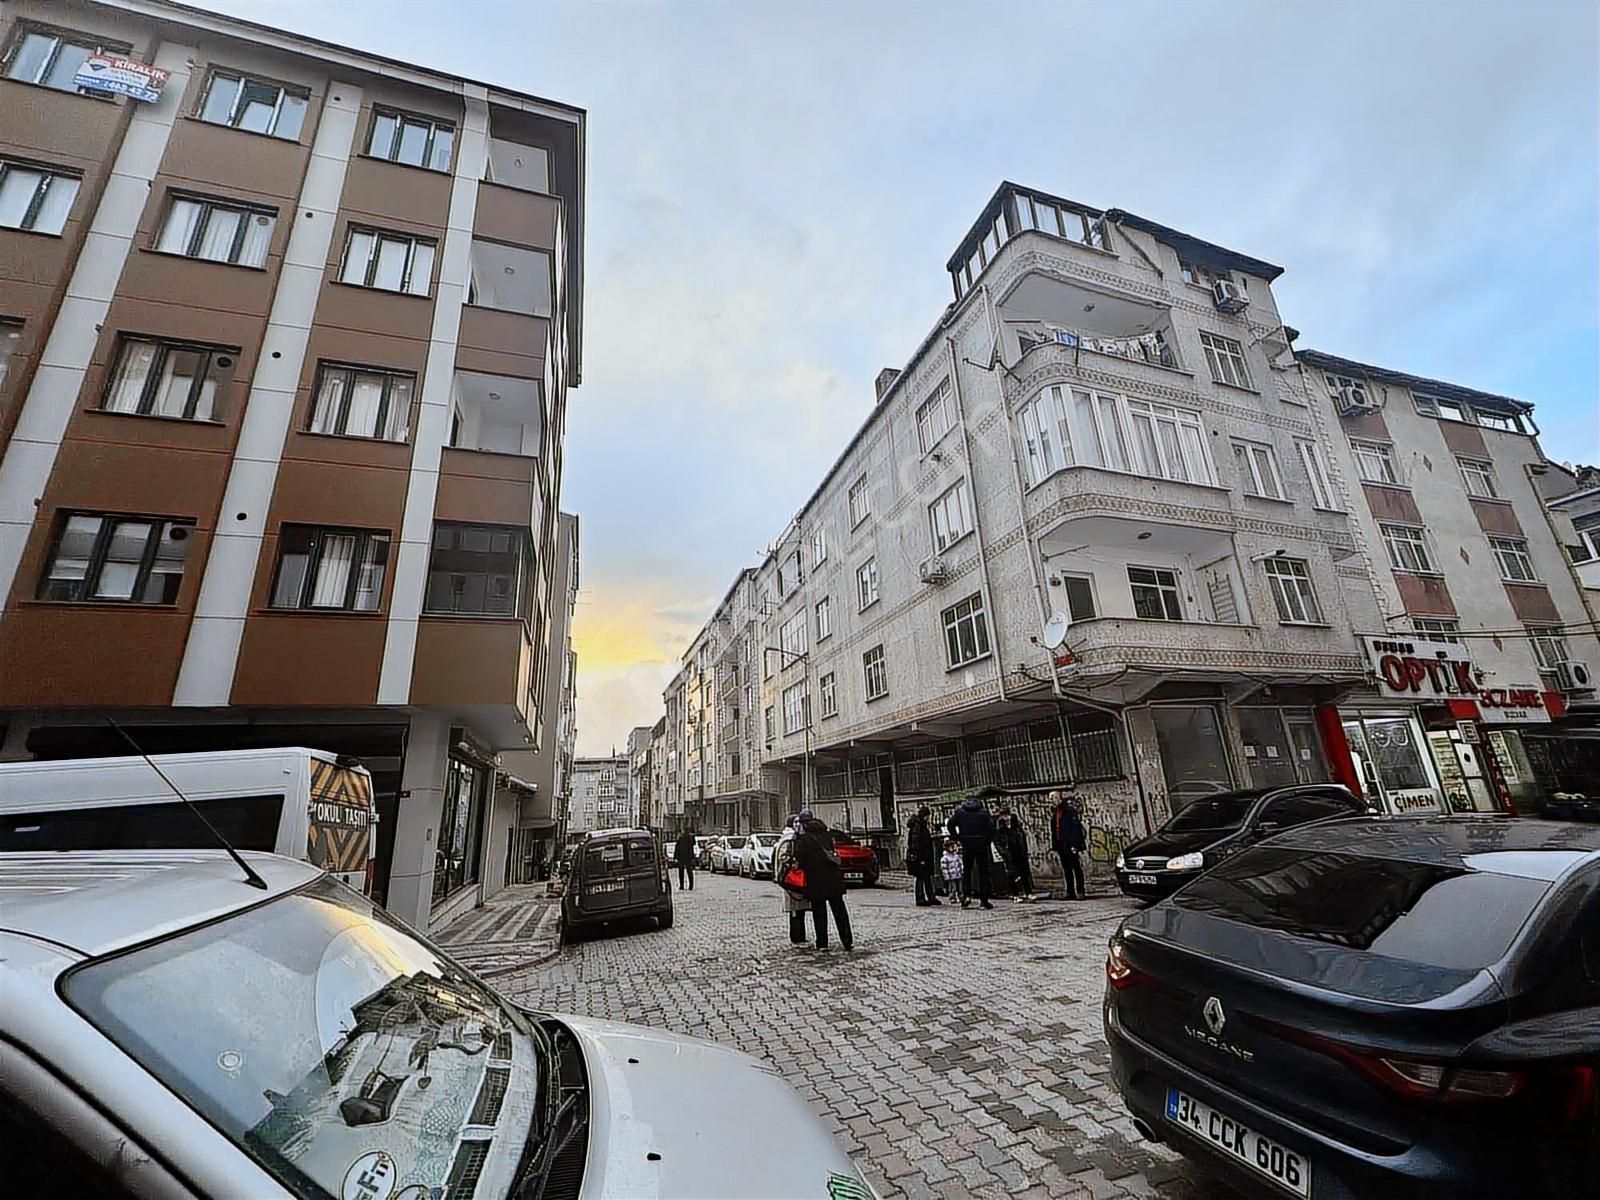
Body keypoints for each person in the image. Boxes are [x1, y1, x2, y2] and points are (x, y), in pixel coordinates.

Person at [793, 808, 853, 950]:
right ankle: (847, 940)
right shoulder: (826, 834)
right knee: (840, 912)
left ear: (803, 823)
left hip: (816, 880)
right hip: (833, 879)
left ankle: (822, 943)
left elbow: (799, 858)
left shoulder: (804, 839)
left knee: (819, 913)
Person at [947, 788, 998, 909]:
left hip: (966, 843)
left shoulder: (960, 812)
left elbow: (950, 824)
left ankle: (966, 896)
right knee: (983, 872)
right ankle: (984, 899)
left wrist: (957, 837)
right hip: (981, 844)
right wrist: (987, 840)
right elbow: (992, 828)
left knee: (967, 871)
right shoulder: (984, 813)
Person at [774, 816, 810, 944]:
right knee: (795, 909)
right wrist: (792, 863)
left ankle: (801, 935)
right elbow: (782, 857)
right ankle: (796, 936)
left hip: (798, 879)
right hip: (791, 879)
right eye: (795, 822)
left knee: (800, 910)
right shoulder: (788, 839)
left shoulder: (798, 837)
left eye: (799, 822)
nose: (798, 824)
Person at [1052, 792, 1087, 900]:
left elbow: (1075, 828)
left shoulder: (1069, 811)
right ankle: (1070, 891)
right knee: (1066, 869)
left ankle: (1080, 891)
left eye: (1053, 797)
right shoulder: (1055, 812)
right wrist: (1055, 845)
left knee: (1076, 867)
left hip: (1070, 844)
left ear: (1059, 798)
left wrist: (1075, 845)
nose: (1051, 800)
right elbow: (1055, 829)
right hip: (1061, 844)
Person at [905, 805, 940, 906]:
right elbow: (916, 843)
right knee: (920, 877)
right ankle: (920, 898)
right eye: (928, 816)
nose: (929, 818)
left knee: (926, 877)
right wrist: (920, 858)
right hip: (920, 857)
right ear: (925, 816)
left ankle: (931, 897)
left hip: (924, 856)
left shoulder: (921, 825)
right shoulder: (918, 826)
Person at [998, 810, 1035, 900]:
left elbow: (1023, 838)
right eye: (1004, 816)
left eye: (1007, 815)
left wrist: (1025, 850)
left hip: (1020, 852)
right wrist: (1004, 853)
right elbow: (998, 842)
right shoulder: (1001, 829)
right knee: (1012, 874)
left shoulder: (1017, 827)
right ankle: (1015, 894)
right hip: (1009, 853)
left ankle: (1028, 892)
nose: (1006, 818)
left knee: (1024, 873)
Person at [940, 838, 965, 907]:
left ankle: (961, 896)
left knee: (960, 887)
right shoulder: (945, 858)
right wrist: (946, 875)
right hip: (951, 875)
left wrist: (962, 870)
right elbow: (944, 868)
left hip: (958, 874)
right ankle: (952, 897)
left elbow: (960, 864)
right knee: (952, 887)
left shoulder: (956, 856)